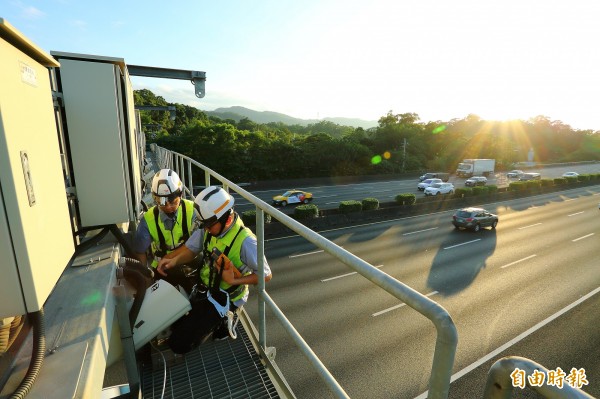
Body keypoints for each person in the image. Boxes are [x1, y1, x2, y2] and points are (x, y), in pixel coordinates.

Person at [156, 186, 272, 354]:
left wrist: (234, 281)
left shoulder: (246, 242)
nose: (206, 230)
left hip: (225, 297)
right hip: (207, 285)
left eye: (209, 226)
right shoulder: (209, 227)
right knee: (176, 321)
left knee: (179, 344)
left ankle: (227, 319)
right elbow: (191, 249)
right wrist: (172, 261)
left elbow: (266, 275)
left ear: (226, 218)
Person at [132, 168, 197, 293]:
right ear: (155, 199)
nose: (168, 207)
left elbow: (196, 245)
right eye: (162, 203)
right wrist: (146, 277)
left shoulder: (193, 211)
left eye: (173, 202)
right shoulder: (148, 219)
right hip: (163, 270)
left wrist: (171, 257)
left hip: (189, 263)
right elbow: (140, 251)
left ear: (181, 194)